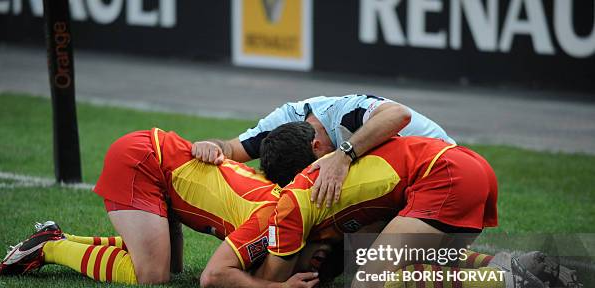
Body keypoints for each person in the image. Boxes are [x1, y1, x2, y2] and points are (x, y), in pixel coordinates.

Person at [251, 122, 560, 288]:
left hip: (446, 175)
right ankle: (513, 264)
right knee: (397, 258)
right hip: (468, 163)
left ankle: (502, 280)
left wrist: (245, 258)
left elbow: (273, 276)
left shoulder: (291, 200)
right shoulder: (334, 169)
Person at [0, 127, 318, 288]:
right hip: (142, 160)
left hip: (156, 157)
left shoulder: (275, 198)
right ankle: (51, 247)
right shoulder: (274, 211)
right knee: (151, 276)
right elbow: (213, 276)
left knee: (172, 267)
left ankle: (58, 236)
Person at [191, 94, 454, 208]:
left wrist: (342, 156)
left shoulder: (345, 111)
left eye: (316, 166)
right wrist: (211, 147)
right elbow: (231, 149)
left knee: (373, 273)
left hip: (443, 174)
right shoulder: (283, 119)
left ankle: (491, 276)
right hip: (404, 182)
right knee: (353, 253)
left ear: (317, 146)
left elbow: (399, 114)